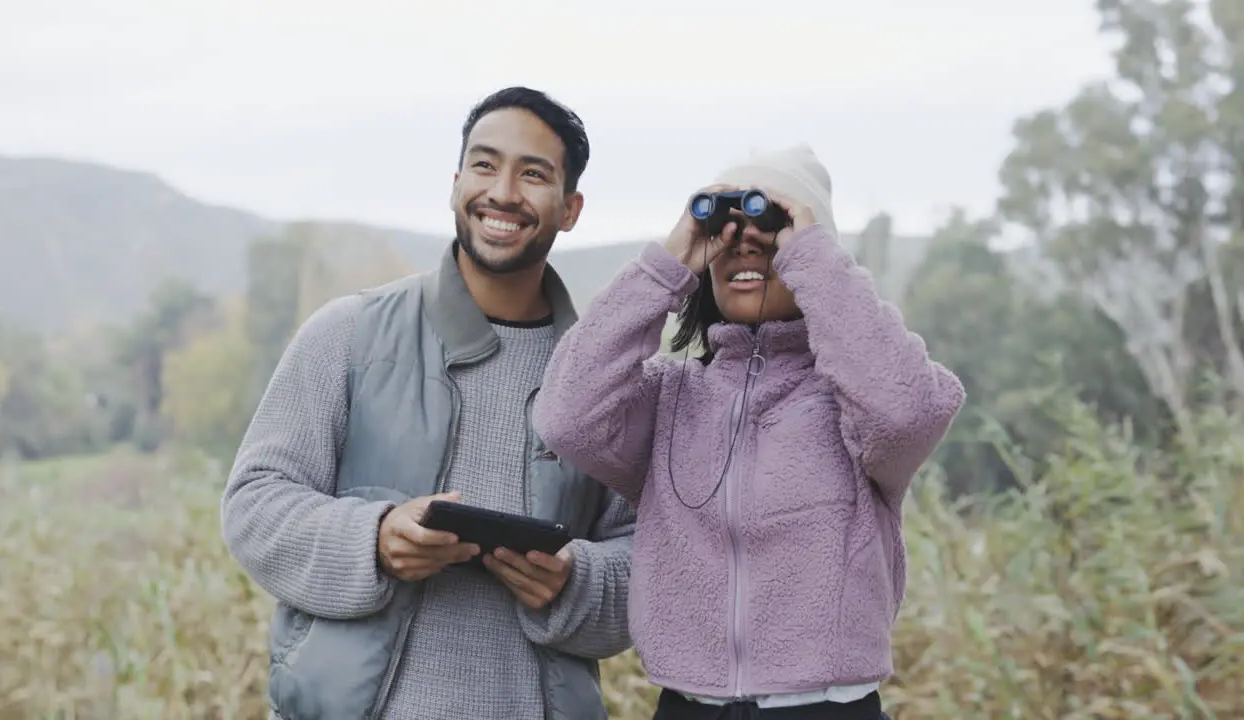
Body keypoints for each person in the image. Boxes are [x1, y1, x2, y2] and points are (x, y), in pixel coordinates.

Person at [221, 86, 635, 720]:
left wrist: (576, 582)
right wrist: (374, 540)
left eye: (533, 174)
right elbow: (254, 503)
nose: (502, 192)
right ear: (455, 183)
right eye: (485, 164)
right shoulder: (348, 333)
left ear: (571, 208)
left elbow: (649, 561)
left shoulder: (603, 380)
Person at [531, 143, 965, 720]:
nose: (747, 241)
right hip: (688, 706)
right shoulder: (670, 398)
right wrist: (669, 262)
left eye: (772, 228)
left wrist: (812, 257)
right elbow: (566, 412)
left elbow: (910, 410)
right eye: (727, 230)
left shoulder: (855, 407)